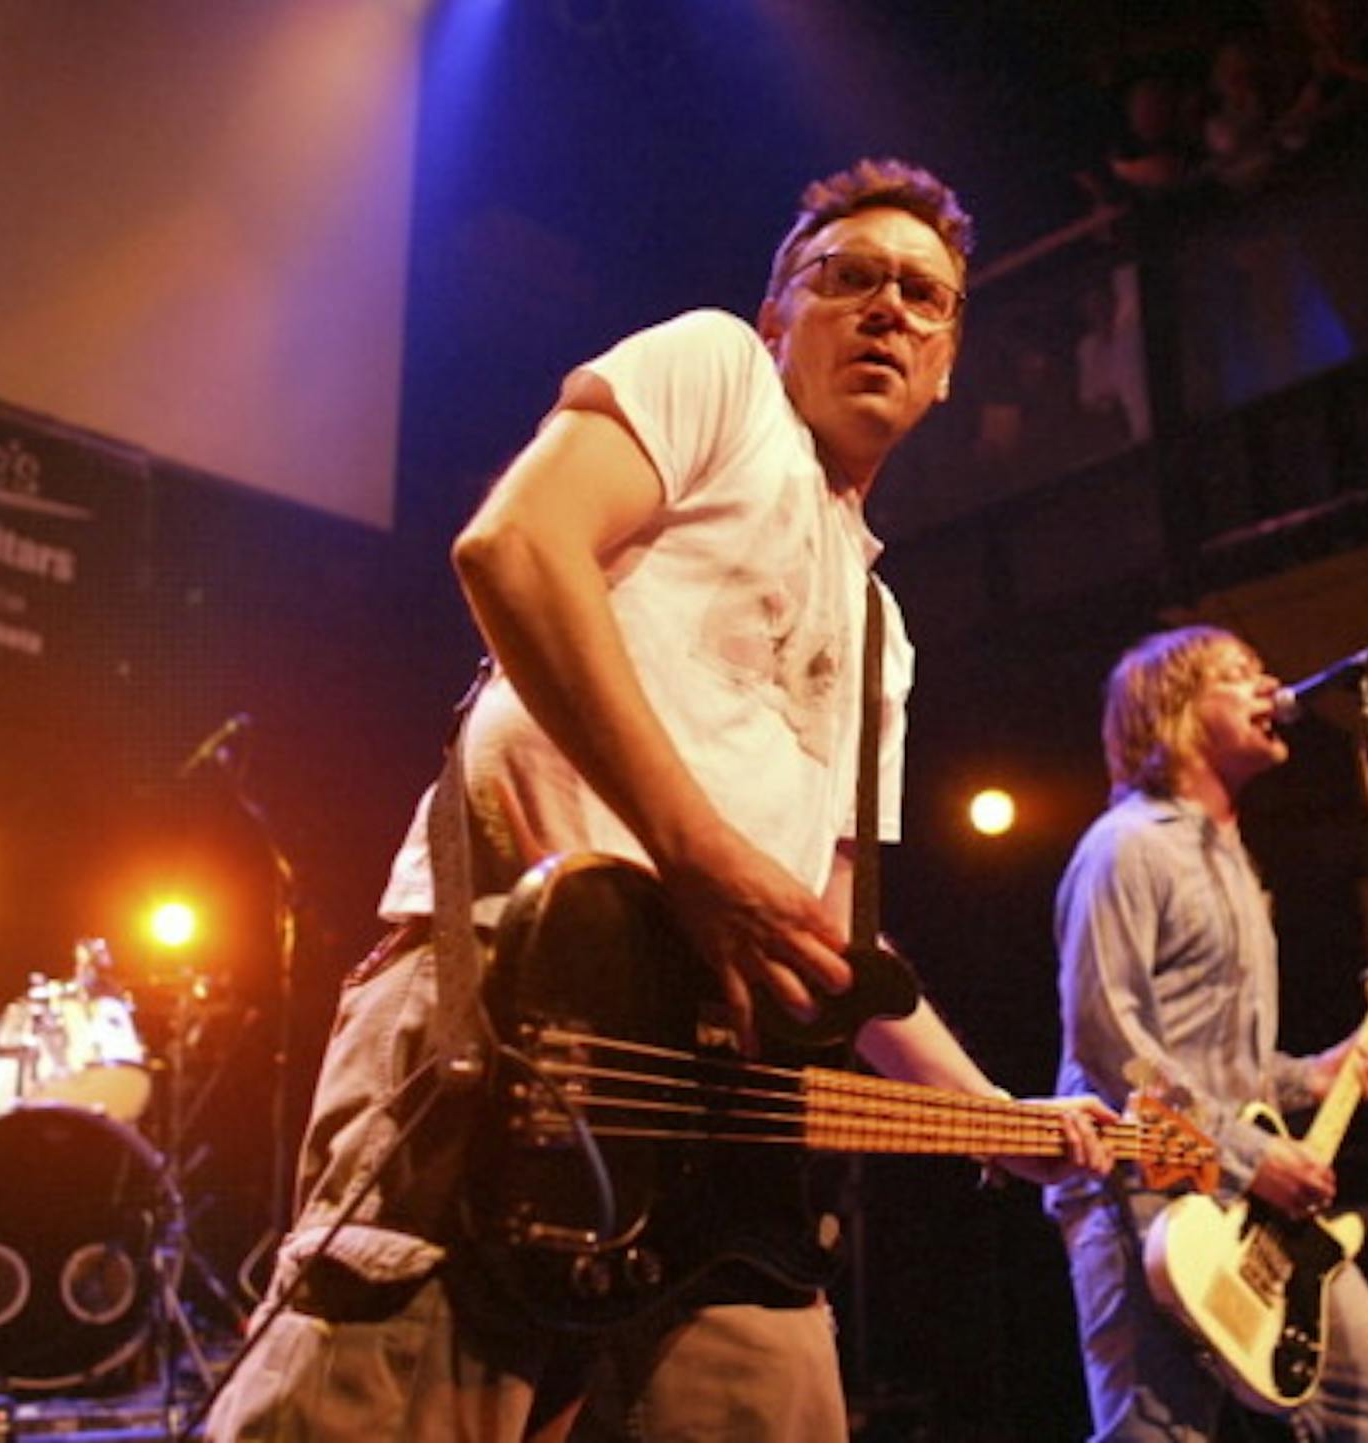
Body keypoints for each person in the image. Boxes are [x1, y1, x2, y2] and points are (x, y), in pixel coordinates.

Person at [208, 158, 1112, 1443]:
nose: (889, 310)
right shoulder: (717, 376)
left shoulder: (881, 631)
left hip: (714, 1120)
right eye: (847, 280)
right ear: (776, 321)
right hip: (513, 1013)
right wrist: (693, 851)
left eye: (925, 296)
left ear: (951, 360)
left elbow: (833, 947)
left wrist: (991, 1117)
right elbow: (514, 548)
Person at [1048, 625, 1368, 1442]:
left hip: (1244, 1192)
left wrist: (1312, 1076)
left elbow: (1219, 1060)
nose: (1272, 688)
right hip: (1144, 1188)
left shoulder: (1232, 859)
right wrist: (1255, 1154)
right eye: (1241, 675)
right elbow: (1111, 1042)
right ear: (1175, 711)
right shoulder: (1124, 849)